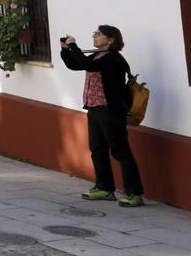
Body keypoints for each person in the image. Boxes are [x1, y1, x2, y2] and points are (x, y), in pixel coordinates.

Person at [60, 25, 144, 207]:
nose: (95, 37)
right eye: (95, 34)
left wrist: (74, 47)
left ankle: (134, 192)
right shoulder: (98, 55)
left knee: (120, 151)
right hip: (95, 109)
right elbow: (76, 65)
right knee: (97, 148)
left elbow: (88, 65)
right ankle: (104, 188)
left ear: (111, 39)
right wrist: (66, 51)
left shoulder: (113, 58)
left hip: (111, 111)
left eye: (99, 34)